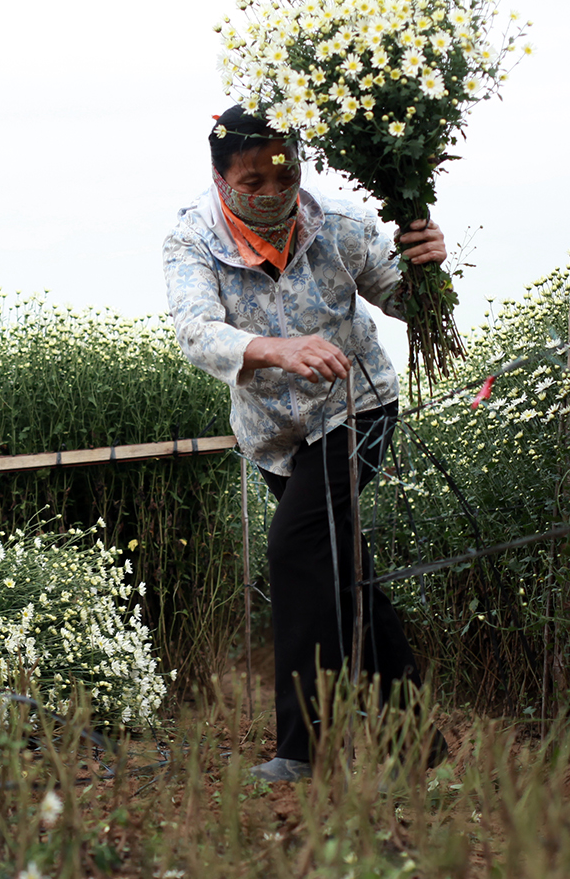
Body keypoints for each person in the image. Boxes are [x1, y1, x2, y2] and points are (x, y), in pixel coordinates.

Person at [162, 106, 449, 782]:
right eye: (250, 178)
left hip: (359, 408)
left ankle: (299, 748)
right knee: (351, 580)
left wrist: (428, 267)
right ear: (220, 177)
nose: (269, 189)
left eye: (281, 169)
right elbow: (195, 332)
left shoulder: (339, 225)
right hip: (275, 438)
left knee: (294, 549)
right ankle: (422, 749)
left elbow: (403, 299)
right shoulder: (192, 240)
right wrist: (277, 349)